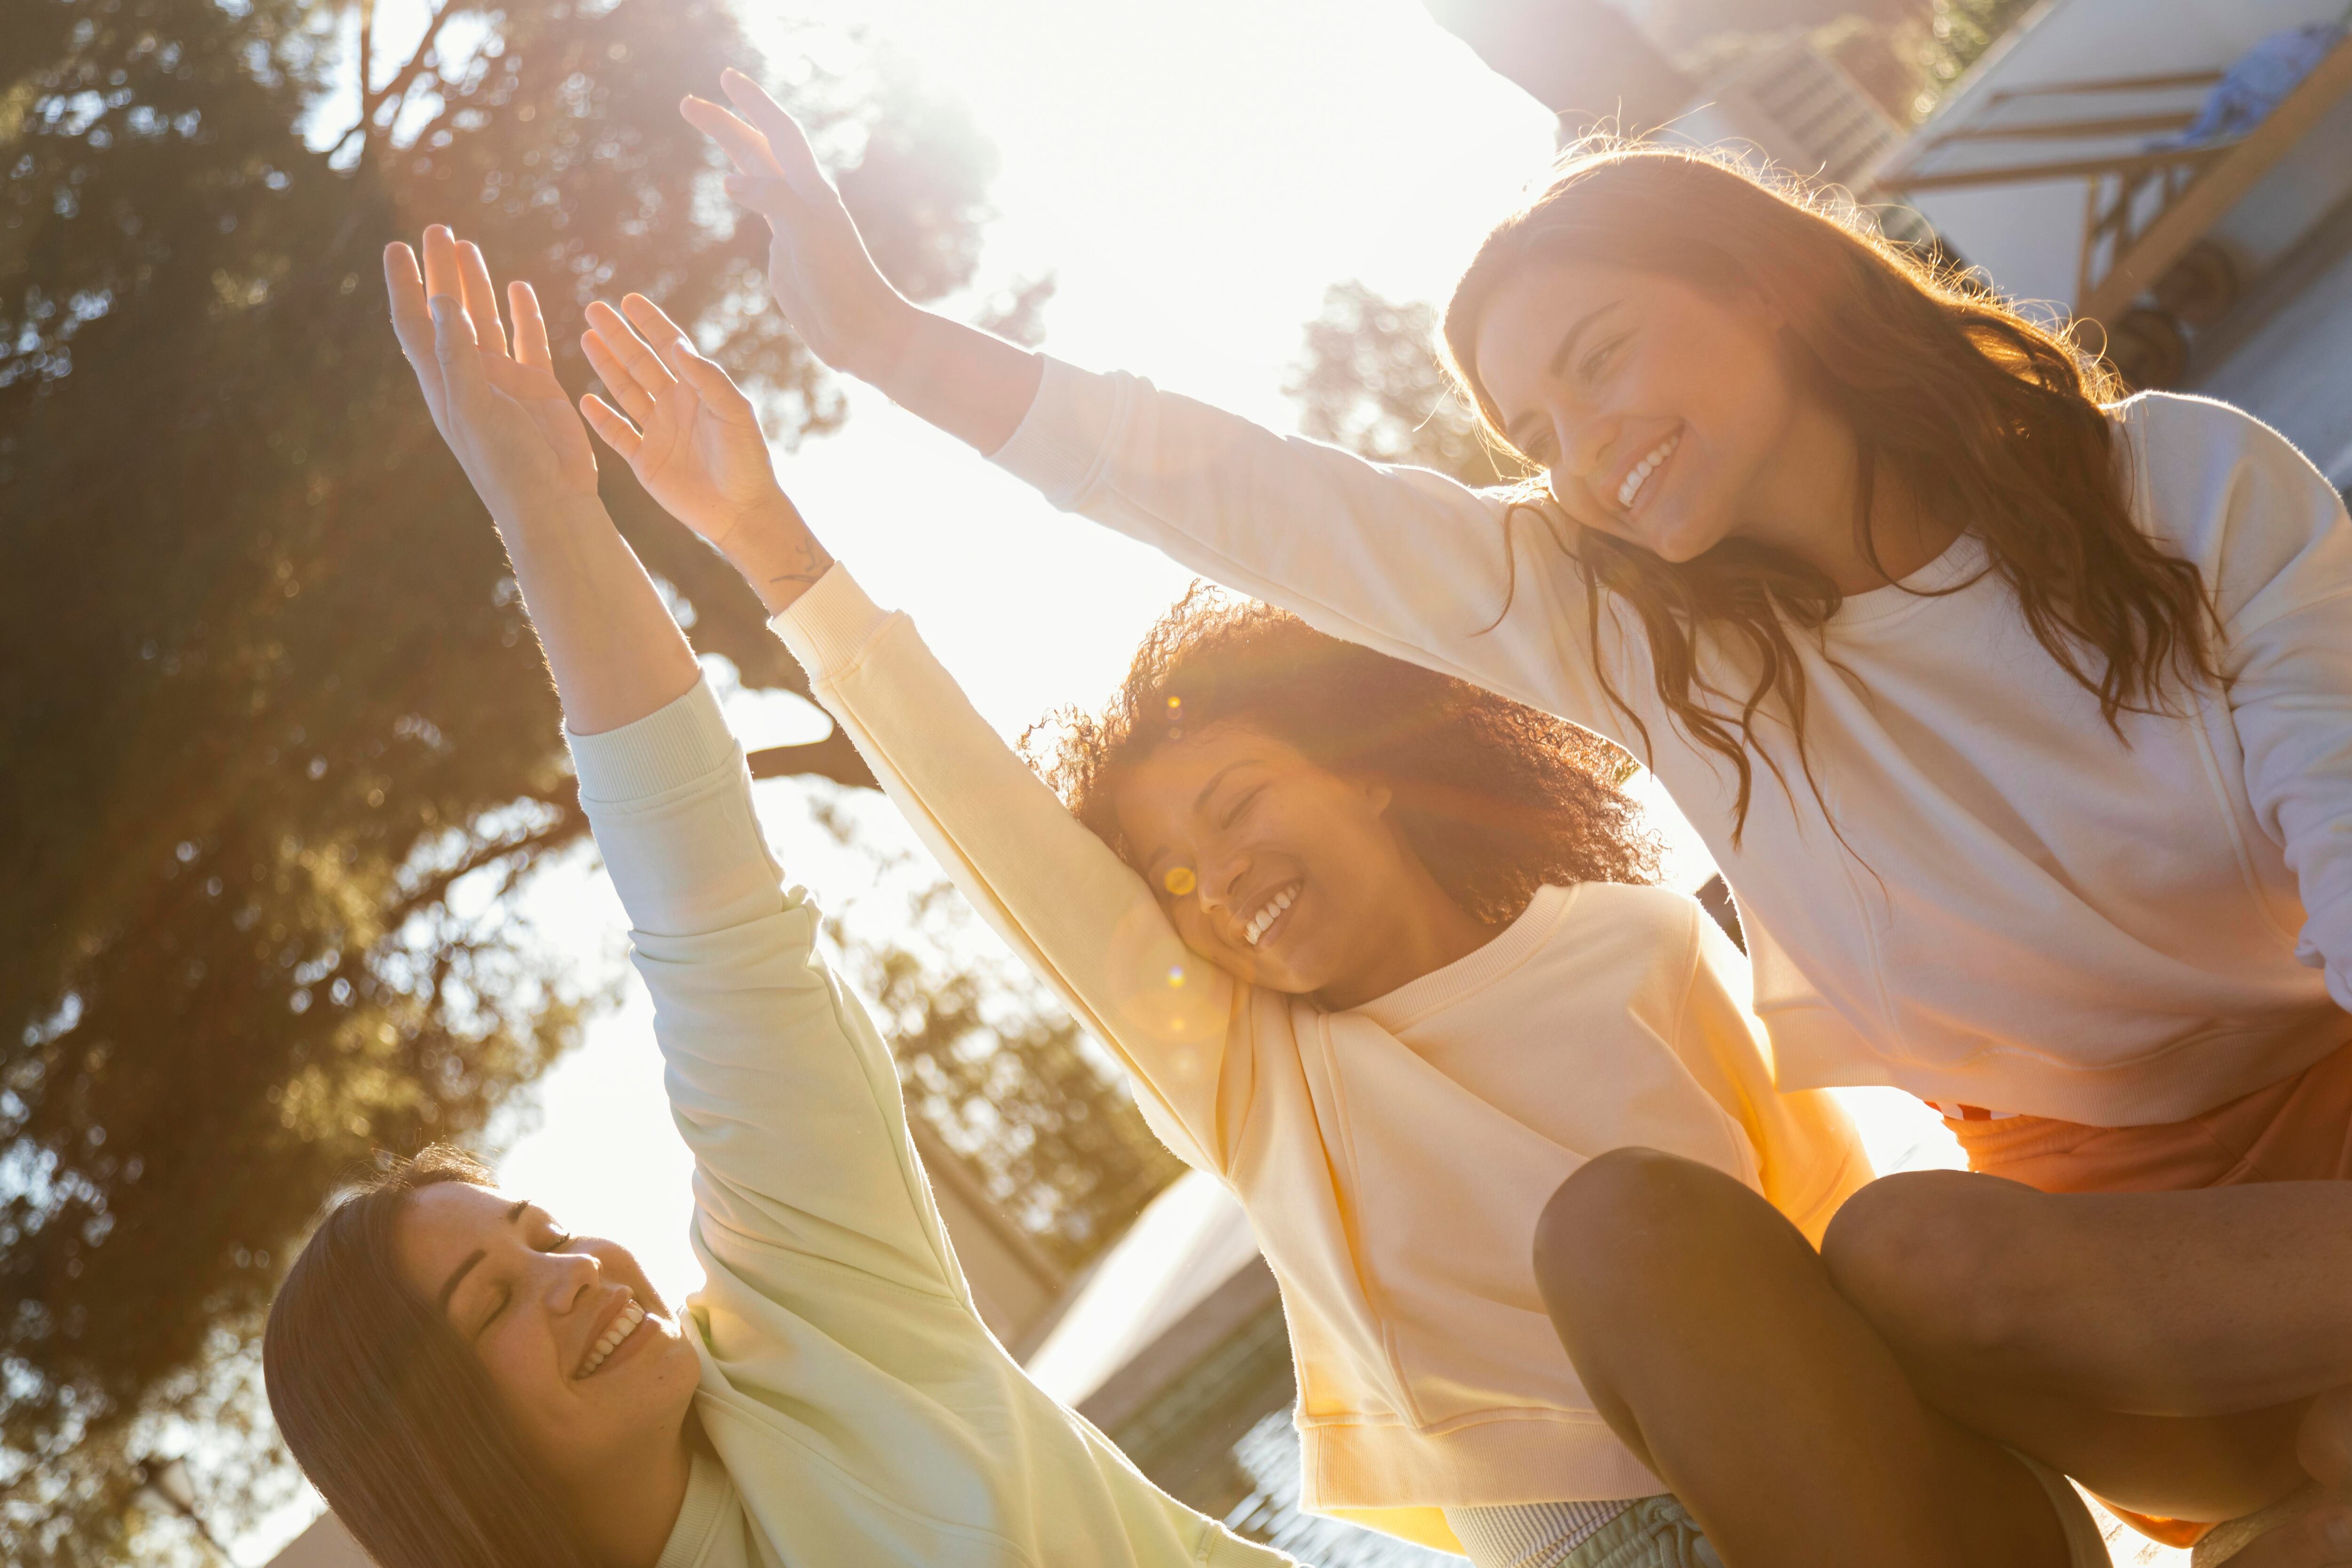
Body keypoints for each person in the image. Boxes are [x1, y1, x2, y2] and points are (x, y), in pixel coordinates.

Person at [678, 67, 2352, 1568]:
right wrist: (891, 360)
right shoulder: (1655, 648)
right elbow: (1265, 500)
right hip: (2122, 1308)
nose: (1585, 449)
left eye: (1598, 355)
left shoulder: (2180, 496)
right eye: (1535, 431)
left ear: (1764, 281)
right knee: (1911, 1253)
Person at [571, 287, 1912, 1568]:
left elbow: (1836, 1220)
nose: (1216, 878)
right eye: (1168, 876)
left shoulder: (1641, 946)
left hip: (1855, 1468)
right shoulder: (1258, 1081)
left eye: (1238, 803)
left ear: (1366, 769)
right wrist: (775, 551)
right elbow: (1003, 839)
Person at [259, 225, 1296, 1568]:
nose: (577, 1274)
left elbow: (711, 917)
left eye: (548, 1235)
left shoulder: (817, 1325)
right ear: (438, 1447)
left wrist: (548, 513)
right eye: (494, 1300)